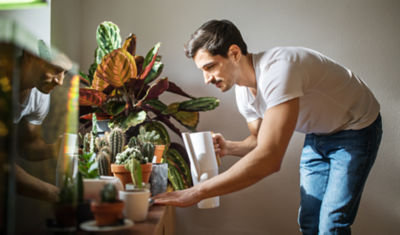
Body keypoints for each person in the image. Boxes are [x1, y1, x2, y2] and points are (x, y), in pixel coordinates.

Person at [153, 19, 382, 234]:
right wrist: (229, 147)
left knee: (332, 222)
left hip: (356, 128)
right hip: (318, 134)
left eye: (210, 66)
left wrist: (196, 192)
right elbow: (258, 140)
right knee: (309, 220)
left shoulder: (279, 69)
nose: (206, 79)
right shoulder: (243, 92)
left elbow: (270, 158)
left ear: (234, 53)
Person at [14, 49, 71, 202]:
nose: (60, 81)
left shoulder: (40, 95)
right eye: (56, 70)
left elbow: (27, 144)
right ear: (29, 56)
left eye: (64, 73)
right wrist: (56, 195)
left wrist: (56, 149)